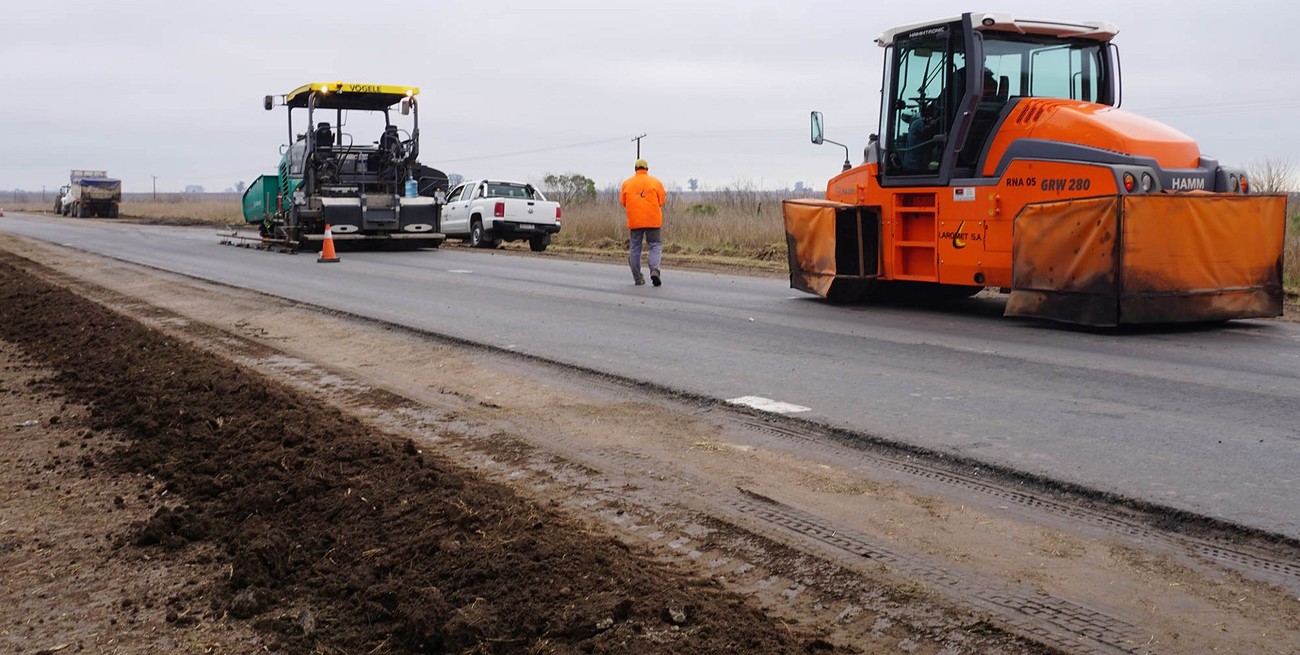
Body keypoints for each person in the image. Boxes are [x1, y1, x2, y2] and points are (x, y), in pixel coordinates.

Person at [620, 159, 667, 286]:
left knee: (635, 247)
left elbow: (623, 202)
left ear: (635, 169)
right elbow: (661, 201)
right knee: (655, 245)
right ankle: (654, 270)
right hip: (653, 220)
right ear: (647, 169)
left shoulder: (626, 184)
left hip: (635, 221)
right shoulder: (655, 182)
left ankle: (638, 278)